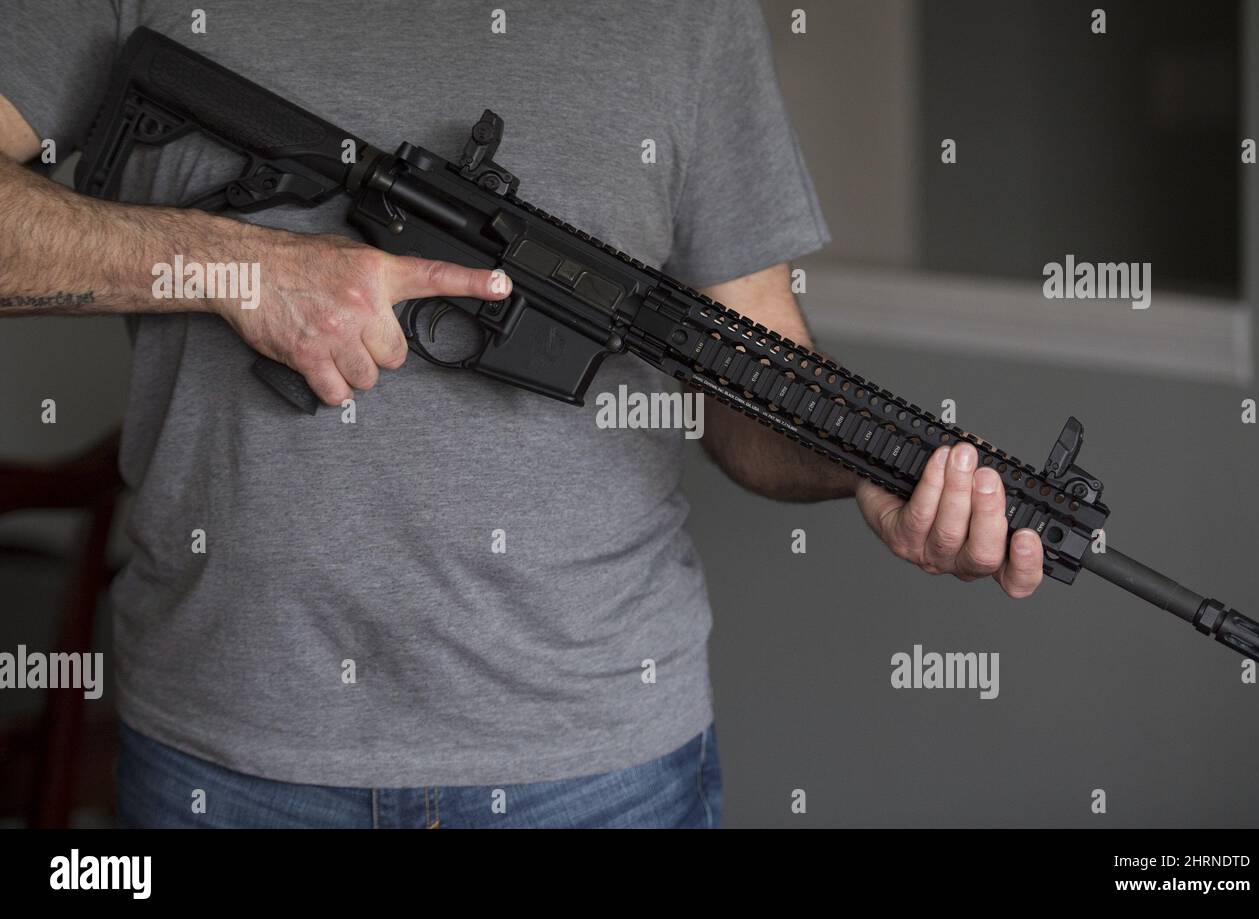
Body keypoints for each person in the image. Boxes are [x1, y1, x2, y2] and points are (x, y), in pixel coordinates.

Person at [0, 1, 1042, 828]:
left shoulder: (685, 18)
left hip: (593, 769)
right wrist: (239, 268)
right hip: (226, 755)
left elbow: (753, 385)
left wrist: (879, 465)